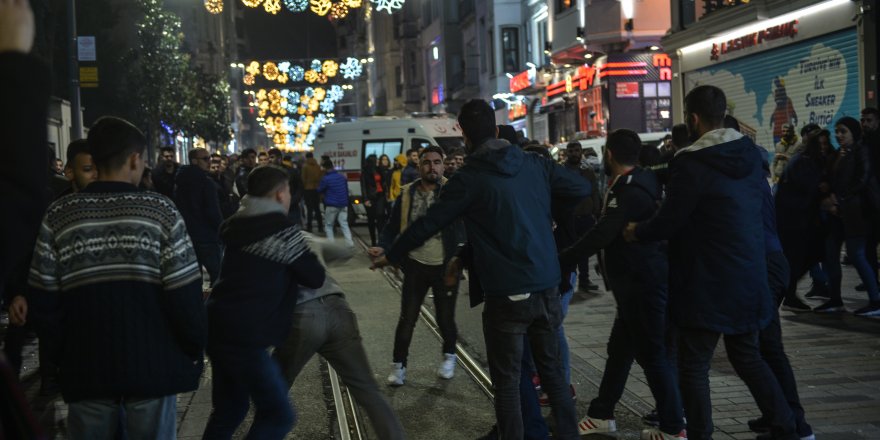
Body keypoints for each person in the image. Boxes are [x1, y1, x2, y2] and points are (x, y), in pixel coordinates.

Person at [371, 99, 588, 440]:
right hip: (546, 285)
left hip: (507, 293)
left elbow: (429, 223)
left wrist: (392, 253)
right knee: (553, 378)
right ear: (498, 129)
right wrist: (545, 212)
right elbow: (581, 188)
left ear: (464, 135)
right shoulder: (534, 164)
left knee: (508, 383)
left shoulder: (468, 178)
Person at [623, 85, 798, 440]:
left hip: (706, 279)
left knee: (694, 364)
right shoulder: (751, 155)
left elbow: (670, 221)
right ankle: (787, 425)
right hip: (749, 274)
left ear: (693, 119)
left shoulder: (690, 163)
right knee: (748, 356)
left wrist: (637, 231)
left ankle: (701, 435)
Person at [27, 116, 206, 438]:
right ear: (135, 159)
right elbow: (185, 293)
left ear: (94, 159)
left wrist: (61, 356)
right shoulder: (160, 212)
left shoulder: (59, 215)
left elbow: (43, 298)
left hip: (86, 367)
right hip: (153, 366)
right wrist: (193, 348)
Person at [560, 130, 685, 440]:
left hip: (642, 285)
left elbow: (602, 233)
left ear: (609, 155)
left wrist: (560, 259)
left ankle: (673, 427)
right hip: (634, 286)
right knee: (619, 351)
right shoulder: (641, 179)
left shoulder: (628, 191)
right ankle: (602, 413)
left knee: (653, 355)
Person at [203, 166, 325, 439]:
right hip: (247, 337)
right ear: (281, 194)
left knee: (229, 411)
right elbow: (314, 275)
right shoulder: (280, 229)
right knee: (279, 415)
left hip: (218, 327)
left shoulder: (237, 223)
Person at [274, 236, 406, 440]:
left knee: (275, 387)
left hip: (301, 317)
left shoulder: (253, 243)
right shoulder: (301, 236)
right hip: (338, 309)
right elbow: (345, 249)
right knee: (367, 389)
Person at [368, 146, 466, 385]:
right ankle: (399, 366)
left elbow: (465, 229)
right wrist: (383, 245)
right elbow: (391, 227)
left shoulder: (453, 193)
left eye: (436, 162)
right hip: (415, 265)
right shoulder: (407, 194)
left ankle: (449, 356)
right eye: (426, 162)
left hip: (445, 266)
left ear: (443, 165)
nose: (432, 167)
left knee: (445, 318)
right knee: (407, 318)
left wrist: (459, 259)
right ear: (419, 166)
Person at [814, 117, 880, 315]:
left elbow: (863, 179)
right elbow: (832, 180)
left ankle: (876, 301)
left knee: (857, 255)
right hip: (838, 213)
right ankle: (835, 300)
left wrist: (839, 200)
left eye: (843, 131)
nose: (839, 135)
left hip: (856, 213)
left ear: (853, 132)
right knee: (830, 253)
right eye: (837, 131)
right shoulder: (839, 154)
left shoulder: (861, 151)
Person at [774, 130, 826, 312]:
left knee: (804, 256)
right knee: (801, 256)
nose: (824, 148)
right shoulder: (804, 161)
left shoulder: (803, 159)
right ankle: (788, 294)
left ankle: (789, 293)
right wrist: (822, 189)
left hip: (796, 217)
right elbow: (808, 188)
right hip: (794, 219)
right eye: (821, 145)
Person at [174, 148, 224, 286]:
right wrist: (221, 229)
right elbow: (213, 211)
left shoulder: (180, 181)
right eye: (205, 159)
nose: (209, 162)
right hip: (207, 236)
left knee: (194, 279)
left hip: (188, 236)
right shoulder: (206, 183)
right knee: (218, 277)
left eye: (210, 158)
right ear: (194, 161)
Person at [563, 141, 600, 292]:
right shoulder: (562, 171)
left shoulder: (588, 170)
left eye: (577, 150)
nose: (574, 153)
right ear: (567, 153)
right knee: (569, 250)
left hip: (586, 216)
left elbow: (595, 192)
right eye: (571, 151)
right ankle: (568, 281)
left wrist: (596, 210)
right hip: (569, 217)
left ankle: (584, 280)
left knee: (584, 250)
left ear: (581, 151)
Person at [318, 159, 353, 247]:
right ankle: (350, 243)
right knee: (344, 224)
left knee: (329, 225)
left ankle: (332, 245)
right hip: (343, 204)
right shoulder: (341, 177)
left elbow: (319, 189)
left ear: (325, 168)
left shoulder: (326, 178)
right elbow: (346, 188)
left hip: (332, 205)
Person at [362, 154, 389, 246]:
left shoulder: (379, 170)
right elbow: (364, 187)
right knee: (371, 220)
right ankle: (373, 241)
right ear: (372, 161)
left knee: (380, 217)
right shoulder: (365, 172)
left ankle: (380, 241)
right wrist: (365, 199)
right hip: (371, 198)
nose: (378, 161)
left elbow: (384, 182)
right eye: (376, 160)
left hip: (380, 196)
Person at [301, 152, 324, 232]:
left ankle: (309, 227)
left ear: (306, 157)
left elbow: (303, 179)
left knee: (309, 209)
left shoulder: (305, 166)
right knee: (317, 209)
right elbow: (321, 177)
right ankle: (320, 227)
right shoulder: (318, 166)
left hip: (308, 189)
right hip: (316, 189)